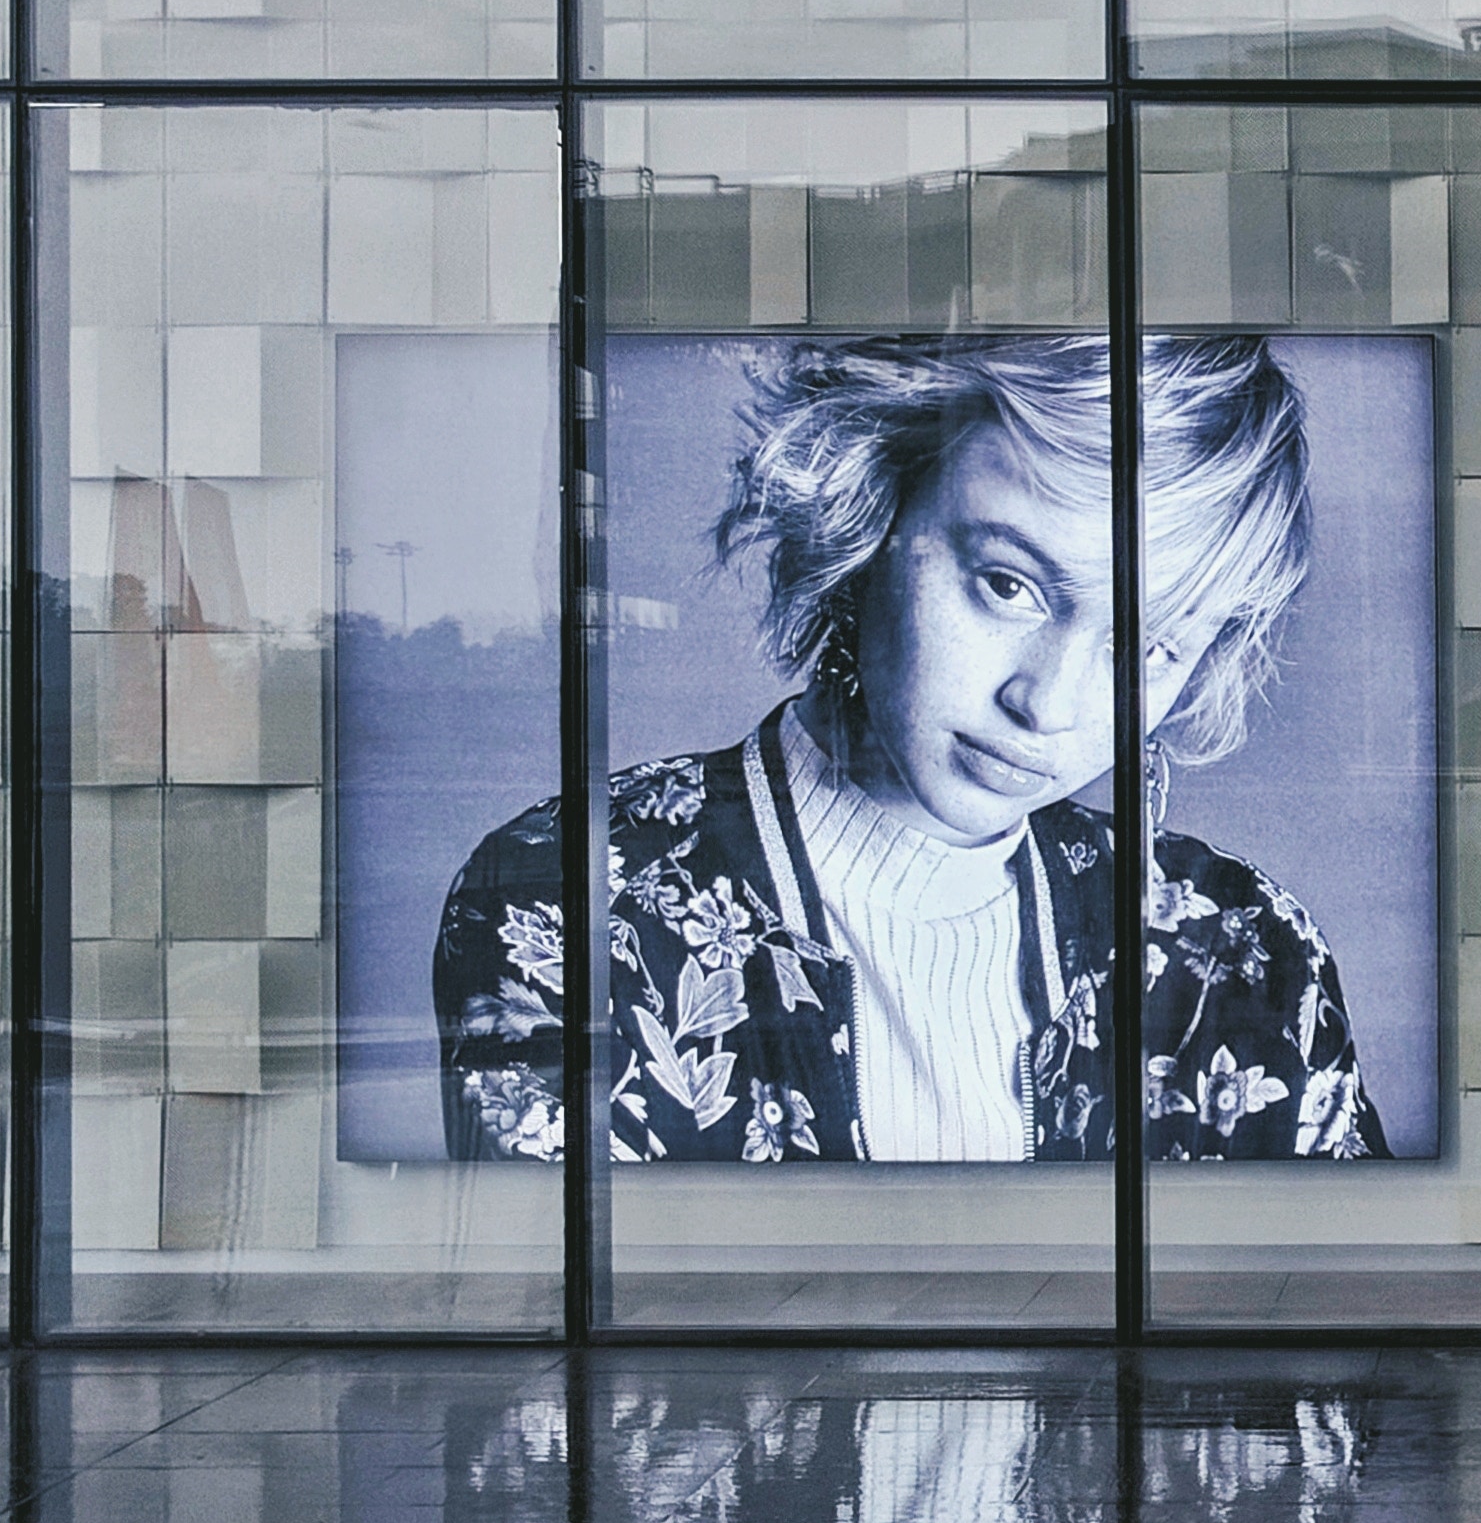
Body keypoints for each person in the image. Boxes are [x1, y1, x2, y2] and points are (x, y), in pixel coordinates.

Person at [434, 331, 1386, 1164]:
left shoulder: (1247, 951)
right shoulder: (575, 897)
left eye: (1150, 643)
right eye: (1008, 584)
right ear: (873, 510)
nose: (1048, 703)